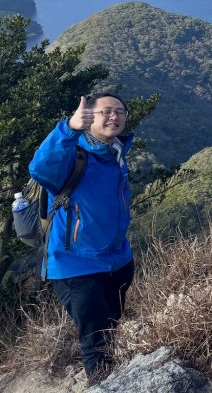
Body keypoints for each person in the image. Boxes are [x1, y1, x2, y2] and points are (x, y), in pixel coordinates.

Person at [29, 94, 135, 381]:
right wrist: (68, 129)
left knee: (110, 328)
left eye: (120, 111)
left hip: (116, 260)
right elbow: (40, 168)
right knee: (95, 341)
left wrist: (124, 256)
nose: (114, 116)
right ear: (90, 118)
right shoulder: (73, 155)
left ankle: (115, 377)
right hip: (76, 266)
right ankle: (104, 384)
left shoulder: (116, 152)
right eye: (106, 111)